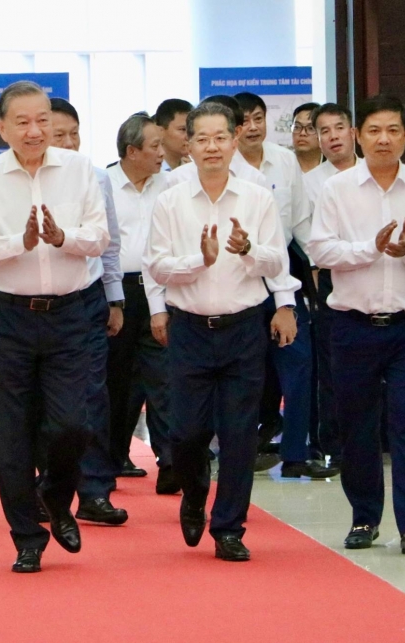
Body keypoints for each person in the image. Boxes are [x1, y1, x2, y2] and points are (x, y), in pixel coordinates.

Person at [0, 81, 109, 573]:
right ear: (0, 128)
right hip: (7, 318)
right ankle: (27, 536)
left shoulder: (79, 169)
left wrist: (62, 237)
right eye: (22, 122)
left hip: (69, 314)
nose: (34, 130)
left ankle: (56, 497)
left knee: (73, 424)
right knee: (10, 435)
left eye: (42, 120)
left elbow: (100, 236)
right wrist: (19, 242)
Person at [308, 94, 405, 559]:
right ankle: (364, 518)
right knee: (357, 425)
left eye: (393, 130)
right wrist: (369, 250)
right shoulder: (337, 189)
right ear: (358, 136)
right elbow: (320, 250)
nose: (383, 139)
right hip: (352, 324)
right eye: (374, 130)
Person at [145, 101, 292, 561]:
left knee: (239, 433)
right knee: (186, 433)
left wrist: (248, 250)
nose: (212, 147)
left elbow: (277, 261)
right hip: (189, 329)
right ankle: (194, 493)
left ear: (234, 141)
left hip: (243, 327)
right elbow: (157, 266)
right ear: (188, 145)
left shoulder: (257, 197)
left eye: (220, 138)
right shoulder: (170, 200)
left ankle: (229, 526)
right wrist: (200, 260)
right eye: (202, 139)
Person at [232, 92, 330, 479]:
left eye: (259, 118)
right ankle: (243, 449)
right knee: (246, 369)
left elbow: (302, 220)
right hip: (238, 271)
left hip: (283, 266)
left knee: (299, 361)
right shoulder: (225, 164)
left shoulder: (285, 160)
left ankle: (295, 455)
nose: (253, 127)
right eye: (244, 120)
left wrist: (317, 264)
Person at [47, 98, 131, 523]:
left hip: (88, 298)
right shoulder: (24, 181)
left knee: (94, 393)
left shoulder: (97, 178)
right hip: (38, 302)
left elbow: (110, 244)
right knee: (45, 400)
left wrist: (115, 298)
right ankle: (47, 487)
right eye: (58, 135)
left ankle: (95, 491)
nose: (68, 142)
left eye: (73, 134)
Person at [105, 113, 178, 494]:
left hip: (161, 290)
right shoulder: (104, 184)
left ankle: (170, 462)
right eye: (155, 146)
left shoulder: (171, 184)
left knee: (163, 378)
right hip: (117, 293)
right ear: (132, 151)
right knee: (116, 382)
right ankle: (110, 458)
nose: (162, 153)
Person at [304, 103, 361, 465]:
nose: (332, 136)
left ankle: (369, 441)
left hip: (373, 275)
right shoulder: (310, 182)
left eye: (338, 128)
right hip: (329, 278)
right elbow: (307, 237)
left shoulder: (374, 173)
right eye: (324, 131)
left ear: (352, 132)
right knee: (332, 364)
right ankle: (335, 445)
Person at [154, 98, 193, 171]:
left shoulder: (192, 169)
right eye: (182, 129)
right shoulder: (149, 172)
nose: (189, 137)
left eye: (191, 130)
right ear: (160, 132)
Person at [290, 102, 323, 173]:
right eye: (297, 127)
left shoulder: (334, 166)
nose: (302, 133)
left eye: (310, 128)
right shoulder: (282, 163)